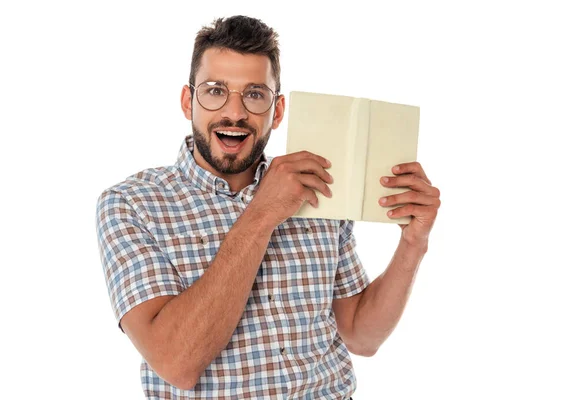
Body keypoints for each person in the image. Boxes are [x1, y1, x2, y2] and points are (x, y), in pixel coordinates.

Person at [95, 15, 441, 400]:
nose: (235, 112)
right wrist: (263, 213)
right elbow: (176, 362)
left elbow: (361, 335)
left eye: (255, 94)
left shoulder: (318, 189)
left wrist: (414, 243)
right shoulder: (130, 204)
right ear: (187, 101)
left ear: (276, 111)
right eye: (215, 91)